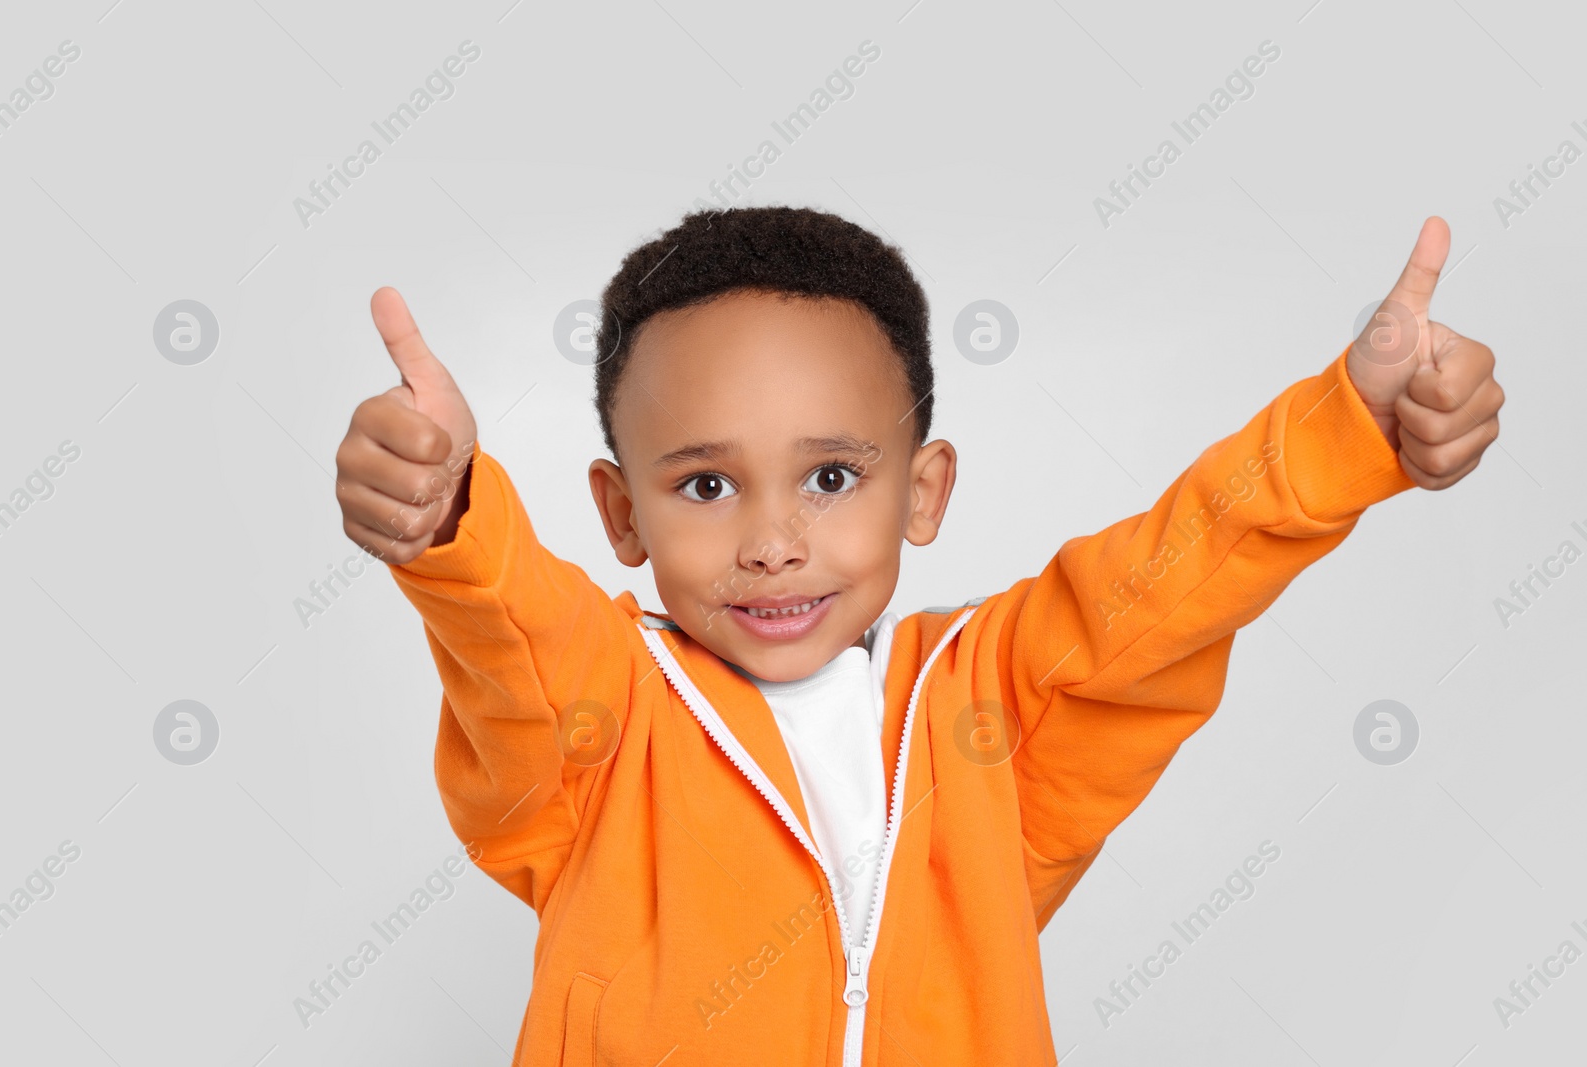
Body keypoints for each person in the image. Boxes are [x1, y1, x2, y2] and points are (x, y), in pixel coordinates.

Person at [333, 206, 1502, 1065]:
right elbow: (511, 637)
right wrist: (449, 516)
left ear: (924, 491)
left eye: (832, 474)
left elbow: (1166, 585)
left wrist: (1350, 431)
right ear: (620, 512)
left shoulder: (990, 709)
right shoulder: (605, 716)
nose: (774, 541)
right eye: (704, 487)